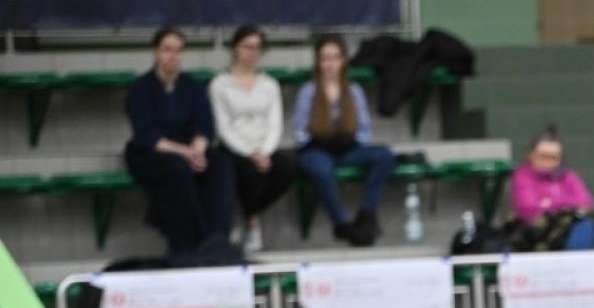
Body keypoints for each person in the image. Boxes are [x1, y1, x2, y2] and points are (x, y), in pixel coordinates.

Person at [124, 27, 235, 254]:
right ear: (156, 52)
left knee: (222, 166)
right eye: (167, 50)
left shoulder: (192, 86)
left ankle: (218, 239)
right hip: (151, 152)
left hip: (189, 147)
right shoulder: (140, 88)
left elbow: (205, 124)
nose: (173, 56)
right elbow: (146, 134)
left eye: (178, 50)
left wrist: (199, 148)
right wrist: (186, 152)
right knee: (177, 171)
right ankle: (189, 243)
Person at [292, 35, 395, 246]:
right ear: (318, 62)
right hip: (316, 149)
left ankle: (366, 213)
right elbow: (299, 131)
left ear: (343, 61)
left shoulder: (354, 91)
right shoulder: (308, 91)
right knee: (321, 168)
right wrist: (321, 140)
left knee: (384, 155)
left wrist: (348, 139)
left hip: (347, 148)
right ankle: (341, 223)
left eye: (334, 58)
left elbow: (365, 128)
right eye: (324, 58)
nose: (330, 64)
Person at [208, 25, 297, 253]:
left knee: (289, 167)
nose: (253, 52)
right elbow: (223, 127)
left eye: (257, 48)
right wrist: (250, 153)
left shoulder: (269, 85)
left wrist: (264, 152)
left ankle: (247, 214)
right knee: (246, 171)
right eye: (248, 47)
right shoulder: (219, 85)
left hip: (264, 147)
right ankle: (253, 225)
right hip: (234, 147)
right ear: (235, 48)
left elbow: (275, 123)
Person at [509, 127, 594, 251]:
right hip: (534, 234)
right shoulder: (523, 176)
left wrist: (550, 203)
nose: (547, 162)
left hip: (566, 231)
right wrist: (566, 206)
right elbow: (528, 208)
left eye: (553, 157)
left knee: (586, 224)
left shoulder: (568, 176)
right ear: (530, 155)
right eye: (542, 156)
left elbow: (587, 203)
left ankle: (576, 265)